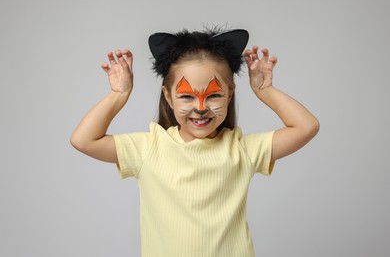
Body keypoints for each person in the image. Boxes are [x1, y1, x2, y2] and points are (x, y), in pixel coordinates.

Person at [71, 28, 319, 257]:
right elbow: (83, 140)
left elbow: (306, 126)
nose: (200, 108)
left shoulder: (242, 150)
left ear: (230, 94)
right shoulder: (149, 148)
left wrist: (265, 91)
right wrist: (118, 95)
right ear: (168, 96)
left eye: (213, 95)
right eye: (187, 96)